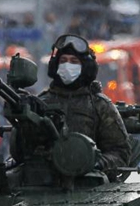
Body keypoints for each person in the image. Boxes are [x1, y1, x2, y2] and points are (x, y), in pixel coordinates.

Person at [39, 34, 131, 175]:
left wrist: (95, 163)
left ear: (86, 67)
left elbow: (120, 152)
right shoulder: (42, 103)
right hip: (43, 183)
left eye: (74, 61)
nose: (67, 65)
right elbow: (21, 151)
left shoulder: (99, 105)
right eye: (63, 61)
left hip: (89, 186)